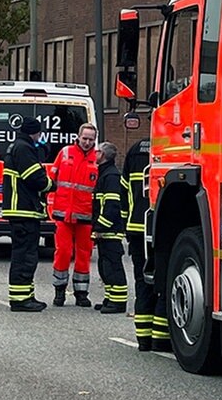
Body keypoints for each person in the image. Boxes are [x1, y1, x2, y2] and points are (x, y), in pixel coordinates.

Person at [47, 121, 100, 307]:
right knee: (63, 252)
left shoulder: (98, 158)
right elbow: (51, 180)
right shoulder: (65, 152)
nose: (87, 142)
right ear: (78, 137)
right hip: (63, 213)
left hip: (86, 215)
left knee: (84, 255)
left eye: (90, 139)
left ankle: (81, 293)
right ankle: (59, 291)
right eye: (84, 138)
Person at [2, 116, 50, 312]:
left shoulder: (19, 146)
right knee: (25, 256)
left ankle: (26, 295)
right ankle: (20, 299)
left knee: (26, 255)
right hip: (24, 210)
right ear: (35, 132)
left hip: (22, 211)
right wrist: (50, 185)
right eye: (39, 133)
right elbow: (35, 178)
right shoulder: (24, 148)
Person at [124, 139, 167, 351]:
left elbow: (124, 192)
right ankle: (160, 339)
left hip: (136, 226)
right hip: (160, 229)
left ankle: (143, 339)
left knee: (143, 283)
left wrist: (125, 226)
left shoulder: (134, 150)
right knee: (164, 281)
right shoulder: (171, 146)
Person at [92, 141, 129, 314]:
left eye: (97, 151)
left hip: (111, 231)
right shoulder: (105, 174)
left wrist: (101, 227)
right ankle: (110, 298)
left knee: (113, 266)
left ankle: (118, 302)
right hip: (105, 231)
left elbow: (112, 205)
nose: (94, 154)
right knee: (105, 266)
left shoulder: (111, 176)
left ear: (103, 155)